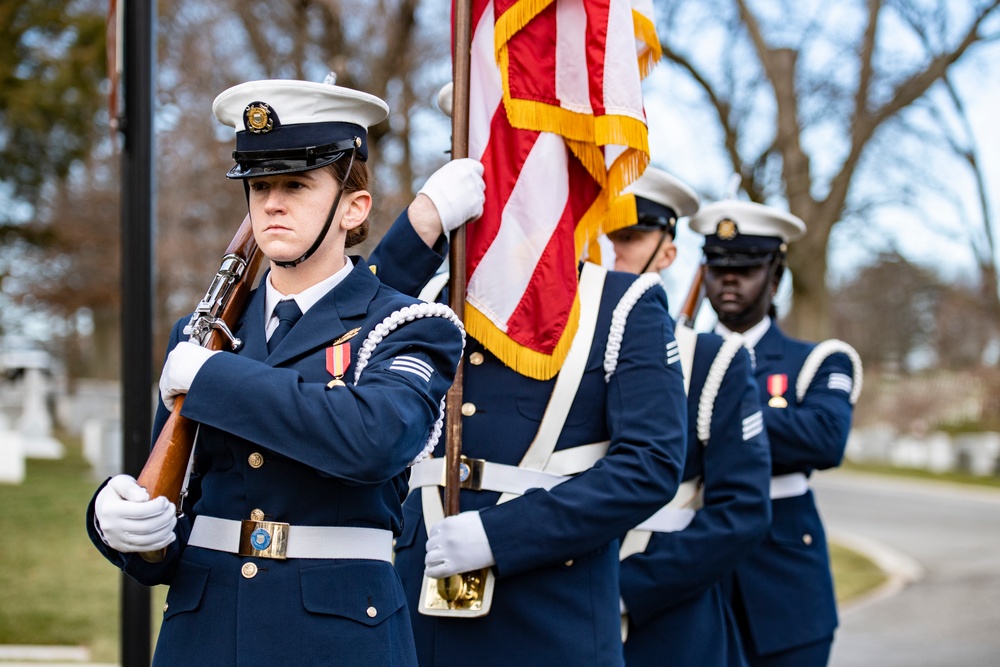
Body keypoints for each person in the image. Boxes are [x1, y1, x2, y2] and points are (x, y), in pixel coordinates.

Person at [86, 78, 468, 666]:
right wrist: (123, 526)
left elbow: (373, 438)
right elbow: (174, 520)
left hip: (337, 642)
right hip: (204, 638)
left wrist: (212, 378)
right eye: (259, 185)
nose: (271, 203)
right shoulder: (202, 333)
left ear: (353, 208)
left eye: (296, 183)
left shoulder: (410, 325)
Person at [368, 160, 689, 665]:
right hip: (417, 610)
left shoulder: (621, 303)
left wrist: (501, 534)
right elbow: (345, 326)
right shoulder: (431, 297)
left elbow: (649, 466)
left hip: (551, 618)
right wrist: (423, 222)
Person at [608, 168, 772, 667]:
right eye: (599, 233)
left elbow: (740, 511)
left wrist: (624, 590)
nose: (610, 252)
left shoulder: (710, 360)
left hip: (666, 615)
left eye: (630, 238)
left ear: (666, 253)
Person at [689, 200, 863, 667]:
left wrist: (711, 410)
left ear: (776, 275)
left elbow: (824, 438)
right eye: (718, 267)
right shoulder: (677, 354)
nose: (729, 279)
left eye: (746, 268)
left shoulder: (820, 360)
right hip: (690, 564)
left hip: (782, 578)